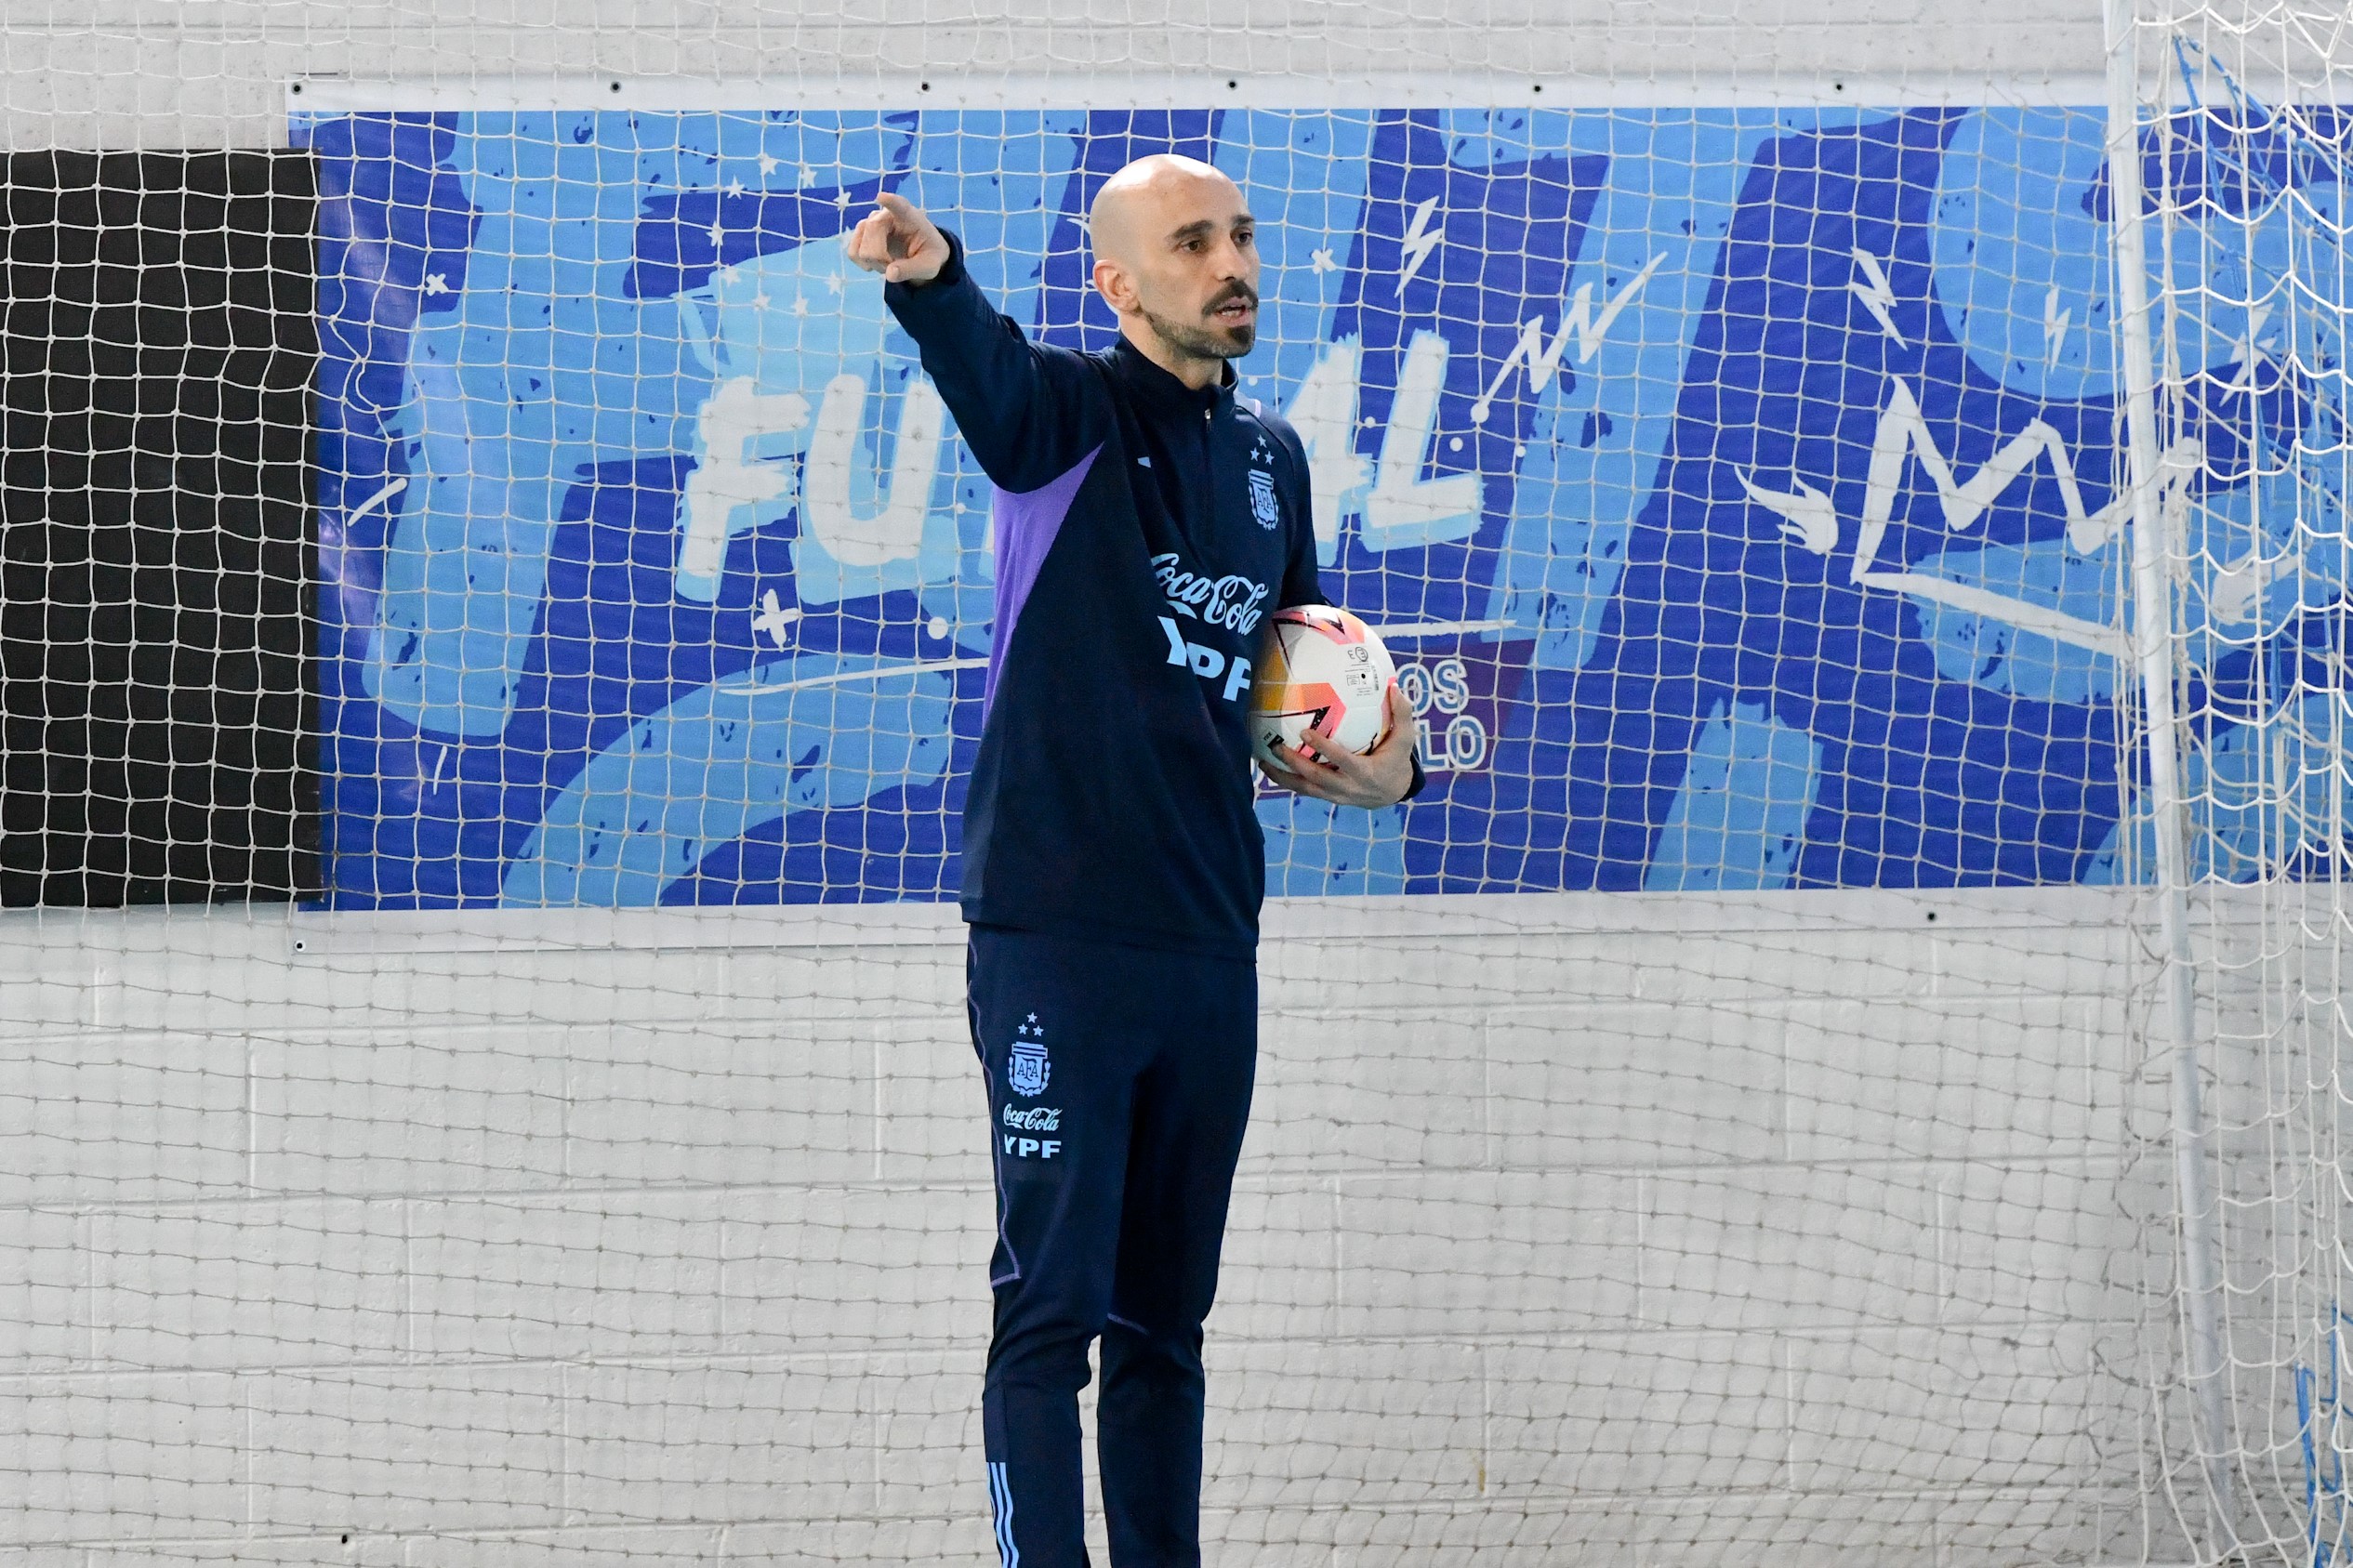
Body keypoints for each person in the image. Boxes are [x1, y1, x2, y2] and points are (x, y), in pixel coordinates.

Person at [848, 154, 1421, 1568]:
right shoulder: (1065, 418)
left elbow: (1320, 676)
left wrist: (1385, 769)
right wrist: (933, 276)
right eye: (1189, 244)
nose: (1231, 264)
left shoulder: (1273, 460)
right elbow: (980, 364)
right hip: (1055, 935)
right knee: (1050, 1318)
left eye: (1239, 237)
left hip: (1210, 942)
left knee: (1169, 1327)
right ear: (1118, 281)